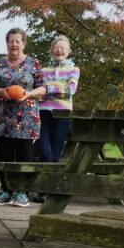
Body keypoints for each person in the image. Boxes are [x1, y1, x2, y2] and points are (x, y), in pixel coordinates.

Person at [0, 28, 45, 207]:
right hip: (1, 117)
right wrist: (1, 91)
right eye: (11, 41)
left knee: (23, 156)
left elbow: (43, 88)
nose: (14, 44)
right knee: (4, 156)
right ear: (7, 43)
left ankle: (22, 192)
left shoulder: (34, 63)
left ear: (24, 43)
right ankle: (5, 191)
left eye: (18, 41)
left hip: (26, 118)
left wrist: (29, 93)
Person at [31, 35, 80, 201]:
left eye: (63, 48)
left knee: (55, 152)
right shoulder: (43, 71)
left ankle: (46, 190)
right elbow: (37, 90)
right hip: (43, 112)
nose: (59, 50)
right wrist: (53, 89)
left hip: (63, 114)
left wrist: (47, 89)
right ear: (51, 50)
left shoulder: (74, 70)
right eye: (57, 47)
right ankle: (47, 188)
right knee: (45, 150)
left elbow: (70, 89)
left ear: (68, 51)